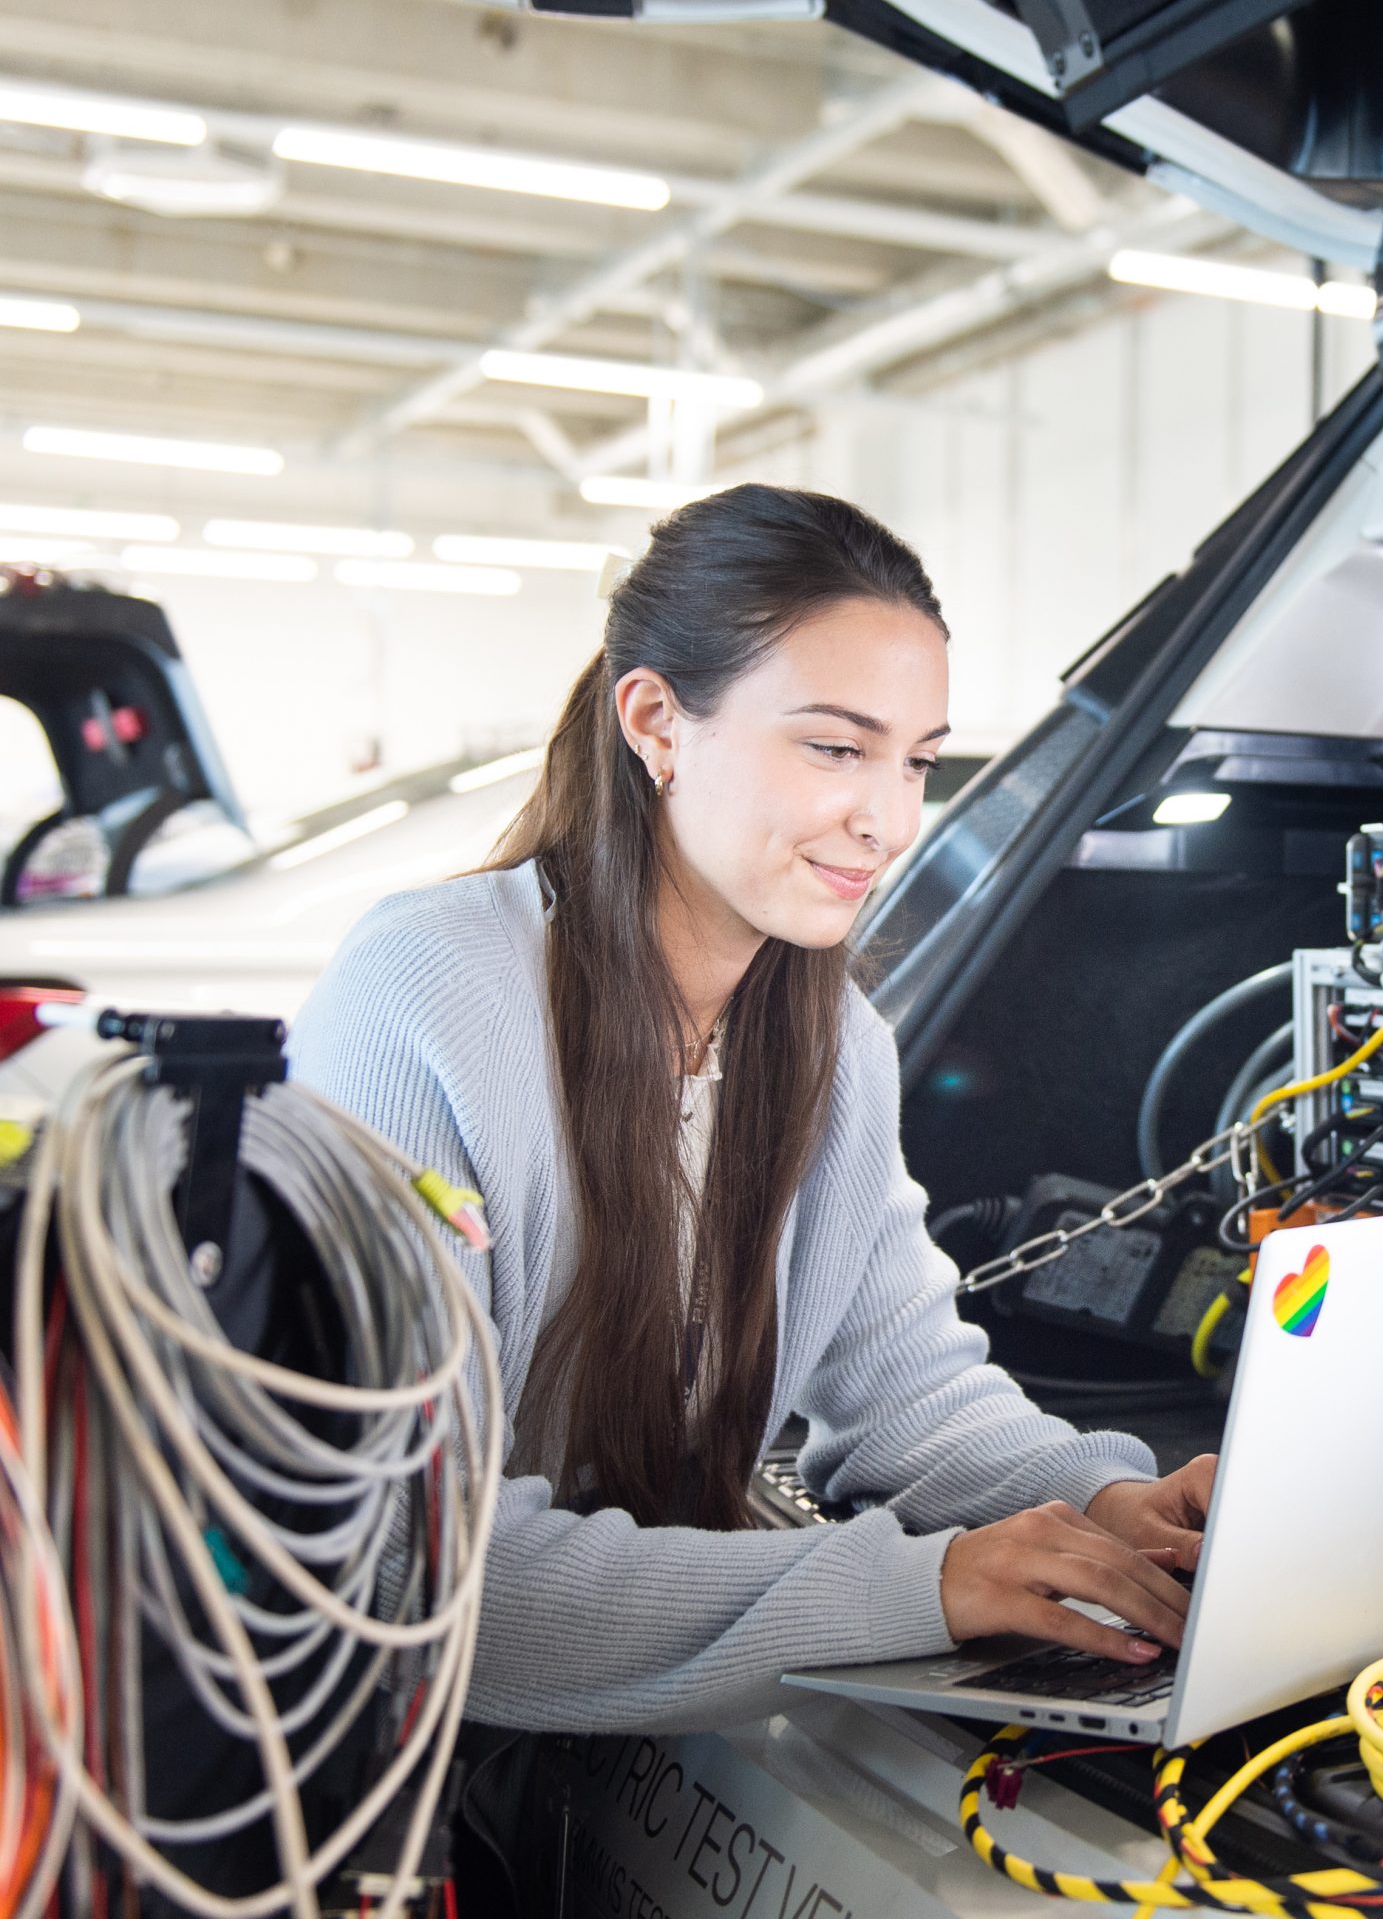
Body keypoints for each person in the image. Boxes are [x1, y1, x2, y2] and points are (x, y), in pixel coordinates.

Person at [290, 482, 1215, 1735]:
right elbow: (416, 1563)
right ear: (658, 721)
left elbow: (906, 1397)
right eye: (836, 747)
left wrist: (1107, 1502)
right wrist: (921, 1584)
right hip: (391, 1765)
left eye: (920, 761)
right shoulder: (428, 995)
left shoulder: (831, 1040)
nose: (888, 819)